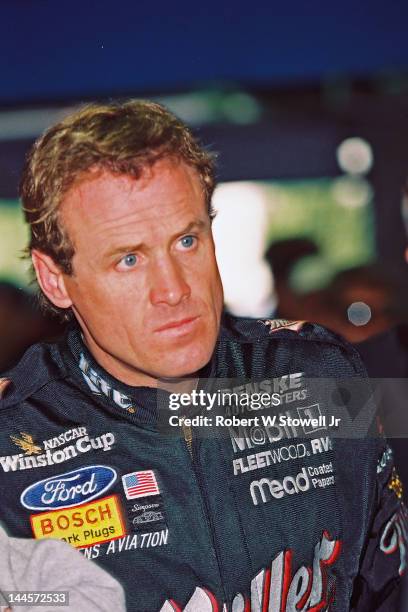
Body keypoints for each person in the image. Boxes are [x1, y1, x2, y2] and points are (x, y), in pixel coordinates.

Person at [0, 100, 405, 611]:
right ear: (55, 278)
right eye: (129, 259)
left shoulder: (316, 374)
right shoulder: (11, 448)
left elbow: (389, 589)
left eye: (187, 240)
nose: (172, 289)